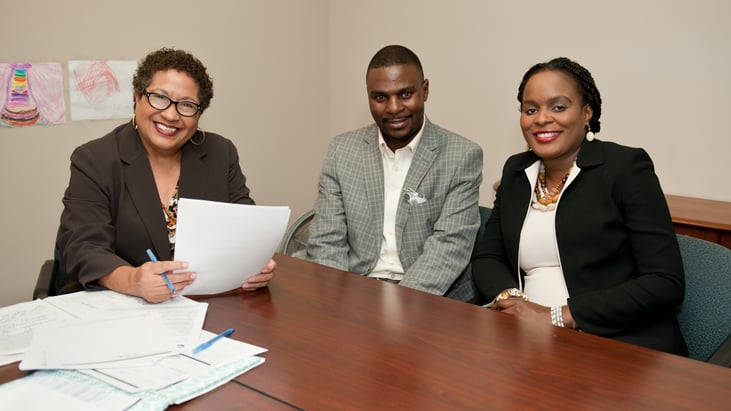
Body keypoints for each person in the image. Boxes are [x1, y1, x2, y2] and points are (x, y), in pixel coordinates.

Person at [472, 57, 687, 355]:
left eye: (558, 107)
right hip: (523, 342)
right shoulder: (516, 171)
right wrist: (514, 302)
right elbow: (488, 257)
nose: (542, 118)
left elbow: (665, 282)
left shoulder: (625, 168)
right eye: (530, 109)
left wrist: (558, 316)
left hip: (613, 343)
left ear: (587, 112)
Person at [57, 47, 275, 303]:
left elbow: (246, 227)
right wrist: (133, 280)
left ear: (199, 114)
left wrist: (256, 262)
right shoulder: (95, 159)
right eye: (159, 98)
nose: (171, 115)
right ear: (137, 97)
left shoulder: (220, 153)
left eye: (186, 105)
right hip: (120, 306)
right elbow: (82, 248)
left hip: (204, 303)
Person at [306, 45, 483, 301]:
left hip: (430, 298)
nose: (393, 107)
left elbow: (449, 248)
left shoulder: (462, 155)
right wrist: (335, 302)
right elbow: (326, 240)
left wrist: (396, 308)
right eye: (380, 98)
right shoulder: (341, 151)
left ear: (425, 90)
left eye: (405, 94)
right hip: (354, 292)